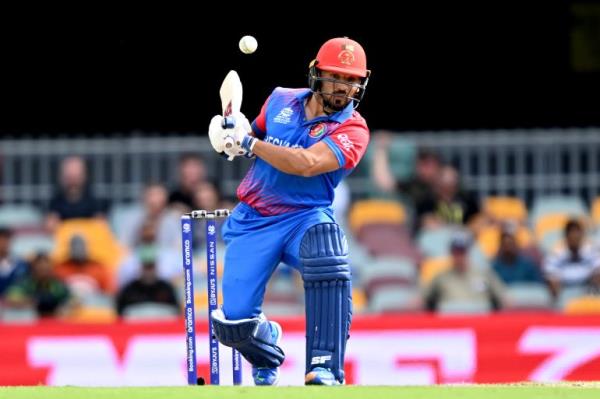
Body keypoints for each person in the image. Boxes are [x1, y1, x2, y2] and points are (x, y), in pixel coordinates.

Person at [207, 37, 371, 386]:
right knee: (232, 325)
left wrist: (250, 143)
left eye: (352, 80)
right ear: (316, 73)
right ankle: (267, 347)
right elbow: (253, 137)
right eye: (336, 76)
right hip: (255, 218)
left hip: (304, 216)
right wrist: (229, 138)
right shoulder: (280, 98)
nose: (344, 87)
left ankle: (324, 366)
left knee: (328, 254)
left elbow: (308, 163)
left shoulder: (353, 128)